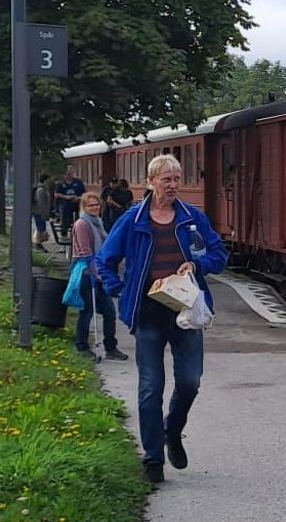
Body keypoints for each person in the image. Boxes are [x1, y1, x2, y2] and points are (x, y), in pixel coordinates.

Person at [93, 153, 228, 486]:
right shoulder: (132, 221)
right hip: (149, 314)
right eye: (166, 179)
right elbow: (104, 261)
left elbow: (219, 255)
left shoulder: (193, 219)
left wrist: (197, 265)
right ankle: (153, 458)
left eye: (177, 179)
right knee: (151, 387)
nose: (173, 185)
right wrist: (119, 290)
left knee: (190, 381)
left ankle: (172, 431)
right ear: (151, 182)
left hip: (186, 313)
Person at [69, 191, 126, 363]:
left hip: (100, 274)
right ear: (84, 207)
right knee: (86, 312)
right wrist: (96, 273)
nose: (94, 208)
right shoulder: (82, 224)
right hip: (87, 273)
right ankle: (82, 346)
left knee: (109, 311)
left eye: (96, 205)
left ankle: (110, 347)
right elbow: (86, 252)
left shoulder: (98, 223)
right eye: (90, 205)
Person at [31, 174, 53, 250]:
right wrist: (45, 213)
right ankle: (37, 243)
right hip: (39, 212)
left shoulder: (43, 189)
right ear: (45, 180)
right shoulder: (41, 190)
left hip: (39, 211)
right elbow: (41, 203)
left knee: (40, 228)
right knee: (41, 229)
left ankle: (38, 243)